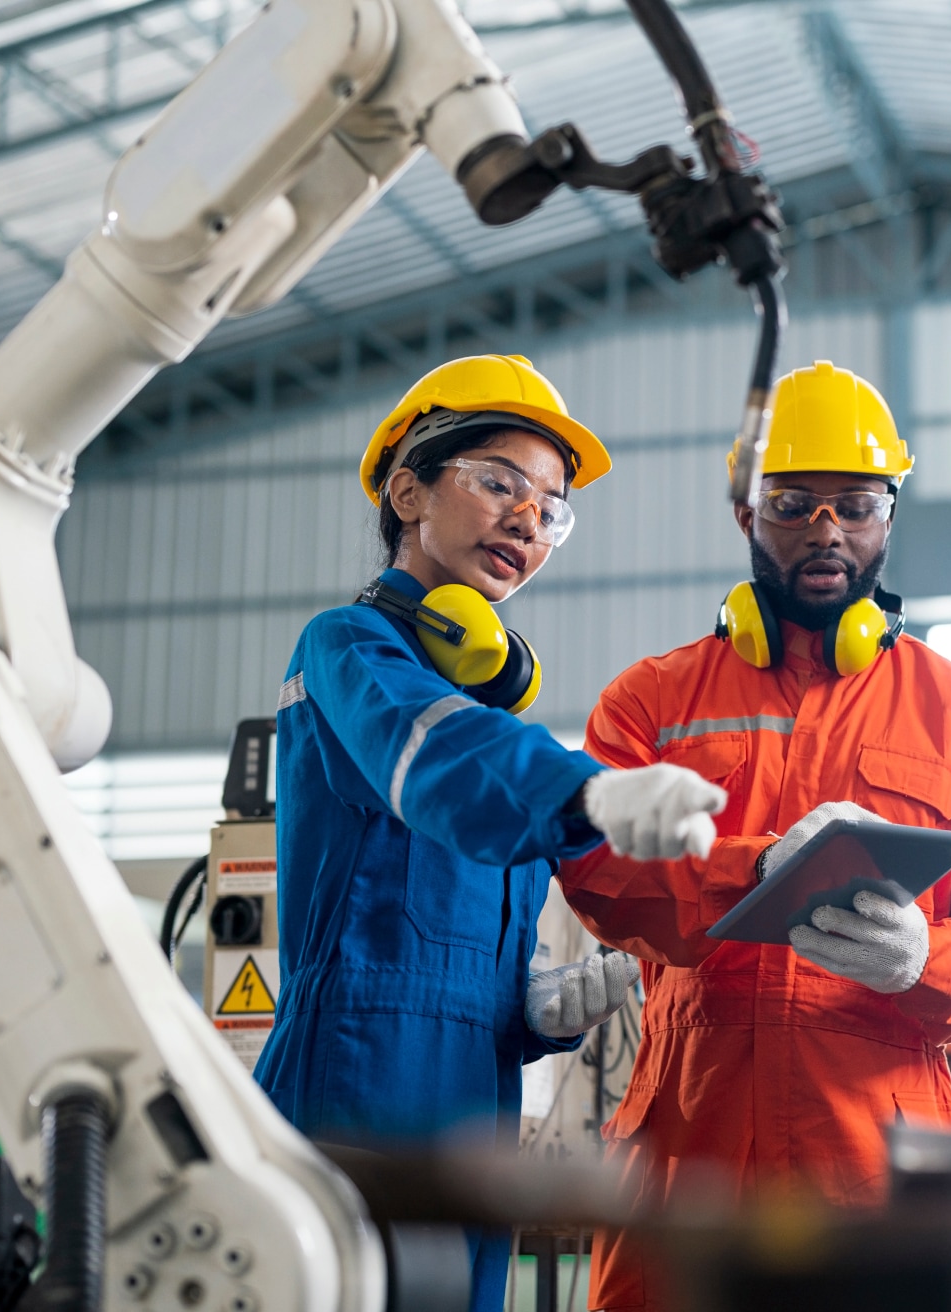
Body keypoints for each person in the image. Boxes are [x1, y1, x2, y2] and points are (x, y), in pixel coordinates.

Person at [555, 361, 951, 1310]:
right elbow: (595, 868)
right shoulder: (652, 703)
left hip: (877, 1161)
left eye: (855, 504)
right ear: (746, 516)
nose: (826, 530)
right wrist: (749, 874)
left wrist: (929, 957)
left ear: (891, 516)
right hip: (691, 1149)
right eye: (794, 504)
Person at [256, 355, 730, 1312]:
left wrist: (528, 1012)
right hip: (354, 1080)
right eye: (500, 483)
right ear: (408, 490)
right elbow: (433, 765)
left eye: (551, 508)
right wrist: (593, 792)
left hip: (473, 1094)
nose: (528, 520)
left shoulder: (495, 724)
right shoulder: (348, 650)